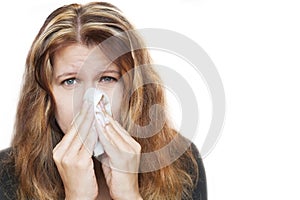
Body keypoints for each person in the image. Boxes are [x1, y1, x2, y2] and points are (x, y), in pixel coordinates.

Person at [0, 2, 207, 200]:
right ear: (46, 97)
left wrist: (129, 196)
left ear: (132, 91)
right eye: (70, 81)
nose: (88, 101)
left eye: (107, 78)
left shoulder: (181, 162)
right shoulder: (6, 175)